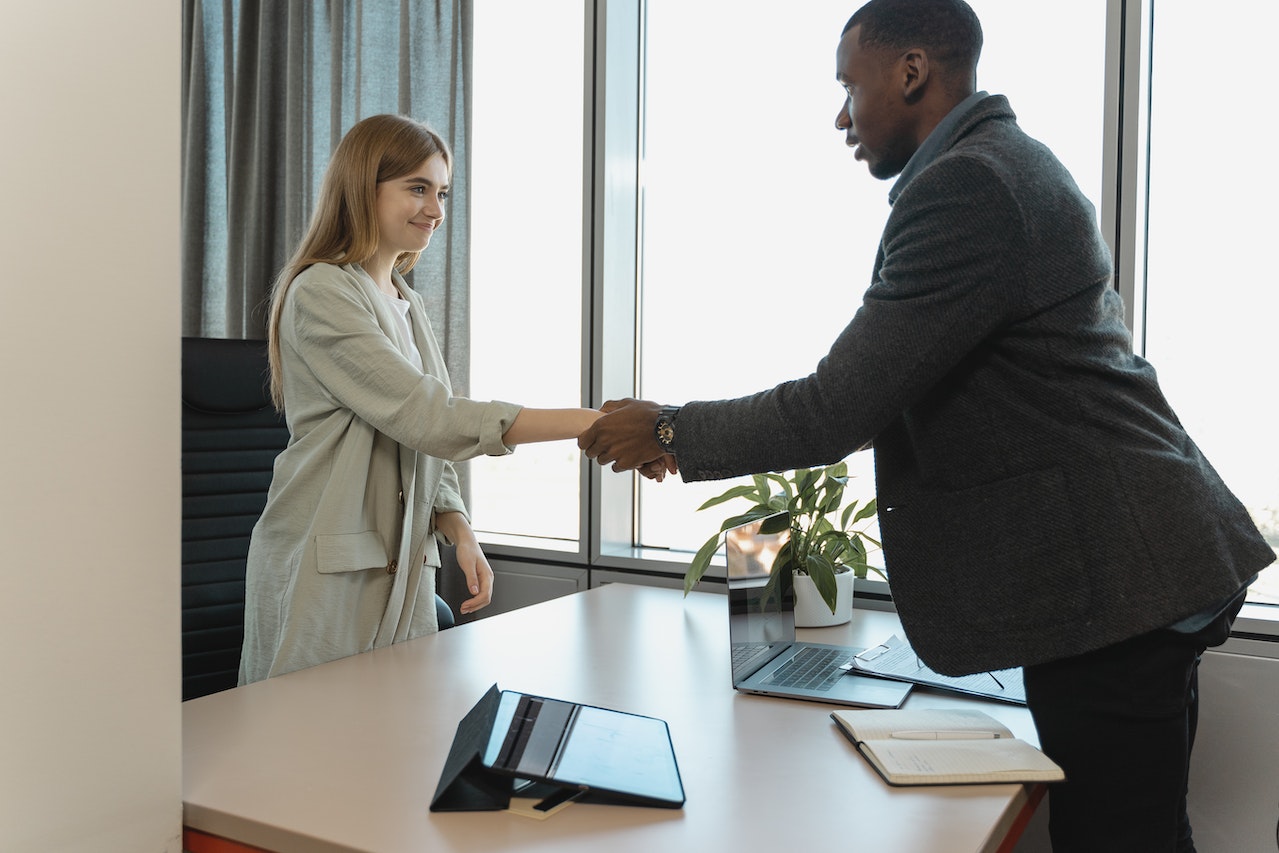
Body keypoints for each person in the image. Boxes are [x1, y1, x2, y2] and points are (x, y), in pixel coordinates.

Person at [577, 2, 1275, 851]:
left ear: (909, 72)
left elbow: (840, 405)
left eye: (848, 86)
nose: (841, 117)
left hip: (1119, 578)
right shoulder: (1001, 166)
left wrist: (671, 431)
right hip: (1139, 561)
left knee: (1115, 838)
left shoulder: (969, 187)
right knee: (1139, 830)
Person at [240, 114, 599, 685]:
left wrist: (458, 528)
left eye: (442, 192)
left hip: (404, 564)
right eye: (417, 188)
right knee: (306, 748)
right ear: (363, 186)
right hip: (324, 564)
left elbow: (421, 435)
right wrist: (591, 424)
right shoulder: (322, 291)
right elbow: (431, 418)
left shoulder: (407, 302)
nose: (435, 209)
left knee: (395, 741)